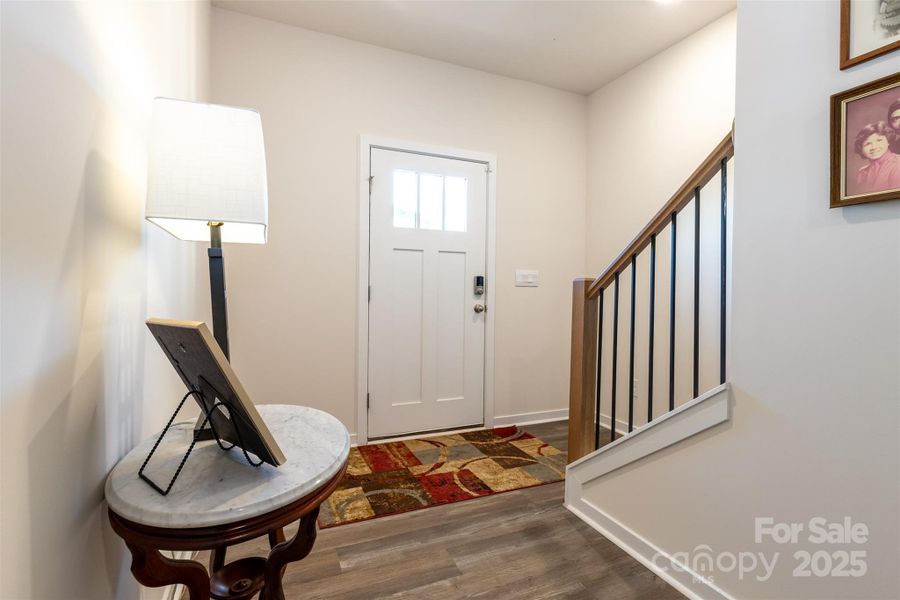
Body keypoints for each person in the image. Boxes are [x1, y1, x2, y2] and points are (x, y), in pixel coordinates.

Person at [854, 121, 900, 194]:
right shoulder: (862, 172)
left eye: (879, 140)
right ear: (861, 149)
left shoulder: (898, 163)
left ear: (888, 141)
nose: (874, 147)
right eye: (867, 144)